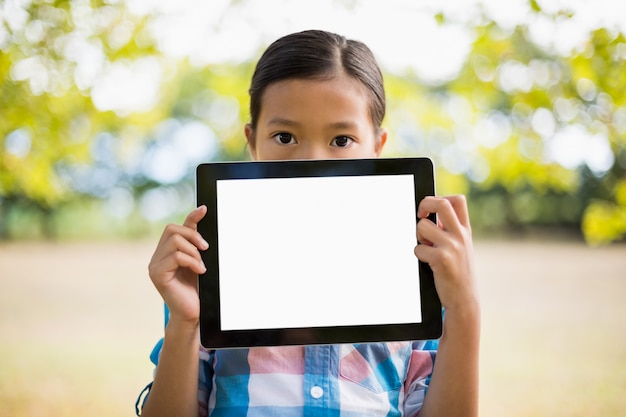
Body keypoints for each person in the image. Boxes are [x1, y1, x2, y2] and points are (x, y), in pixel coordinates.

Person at [137, 29, 480, 417]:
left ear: (377, 147)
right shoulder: (206, 280)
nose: (311, 164)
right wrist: (184, 322)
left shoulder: (419, 284)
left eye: (341, 140)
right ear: (252, 144)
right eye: (284, 137)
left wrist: (464, 305)